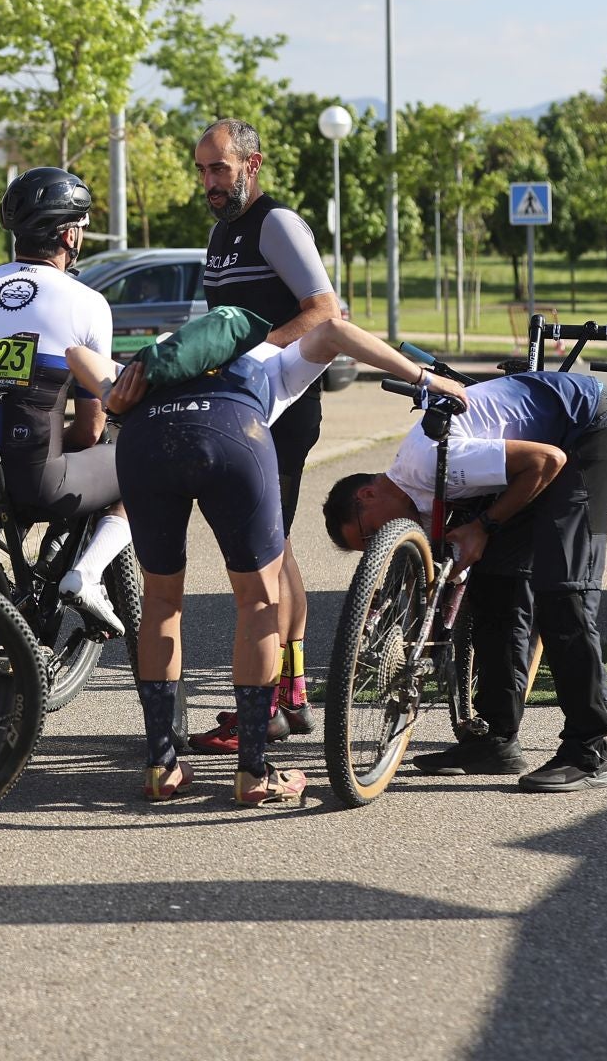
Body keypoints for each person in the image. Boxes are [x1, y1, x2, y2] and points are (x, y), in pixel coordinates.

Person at [65, 310, 462, 805]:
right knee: (258, 602)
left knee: (162, 602)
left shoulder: (160, 359)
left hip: (147, 443)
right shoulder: (272, 359)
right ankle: (253, 773)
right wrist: (427, 378)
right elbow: (336, 331)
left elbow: (76, 353)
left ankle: (161, 767)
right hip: (232, 435)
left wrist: (109, 394)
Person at [323, 370, 607, 792]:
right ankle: (496, 741)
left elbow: (547, 461)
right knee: (496, 587)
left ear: (367, 495)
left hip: (587, 426)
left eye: (370, 534)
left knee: (562, 591)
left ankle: (590, 751)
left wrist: (483, 526)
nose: (379, 541)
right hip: (543, 448)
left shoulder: (429, 464)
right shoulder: (419, 492)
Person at [0, 167, 133, 750]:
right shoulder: (87, 304)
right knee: (134, 463)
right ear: (69, 236)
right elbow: (91, 429)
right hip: (38, 480)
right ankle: (86, 575)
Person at [189, 117, 342, 754]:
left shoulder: (276, 223)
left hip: (280, 404)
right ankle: (294, 693)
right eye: (201, 170)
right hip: (244, 403)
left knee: (261, 556)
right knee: (273, 547)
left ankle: (270, 705)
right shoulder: (222, 231)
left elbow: (326, 309)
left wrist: (258, 351)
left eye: (219, 169)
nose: (209, 183)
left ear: (252, 165)